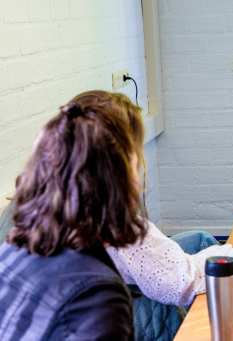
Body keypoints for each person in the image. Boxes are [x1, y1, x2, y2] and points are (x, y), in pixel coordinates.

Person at [105, 94, 233, 340]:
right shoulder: (118, 223)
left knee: (200, 240)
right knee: (205, 280)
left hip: (112, 290)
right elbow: (180, 283)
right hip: (122, 314)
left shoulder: (65, 204)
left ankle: (228, 305)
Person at [0, 90, 148, 340]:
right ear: (114, 178)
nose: (139, 176)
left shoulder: (14, 247)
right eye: (135, 163)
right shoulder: (95, 294)